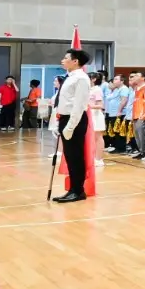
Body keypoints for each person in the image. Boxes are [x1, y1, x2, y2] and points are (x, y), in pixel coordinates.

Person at [52, 50, 93, 203]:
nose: (62, 60)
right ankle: (72, 189)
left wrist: (70, 126)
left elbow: (79, 105)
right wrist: (58, 121)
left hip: (74, 119)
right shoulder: (69, 77)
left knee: (75, 156)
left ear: (75, 61)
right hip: (65, 118)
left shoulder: (81, 78)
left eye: (66, 58)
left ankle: (78, 190)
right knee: (69, 156)